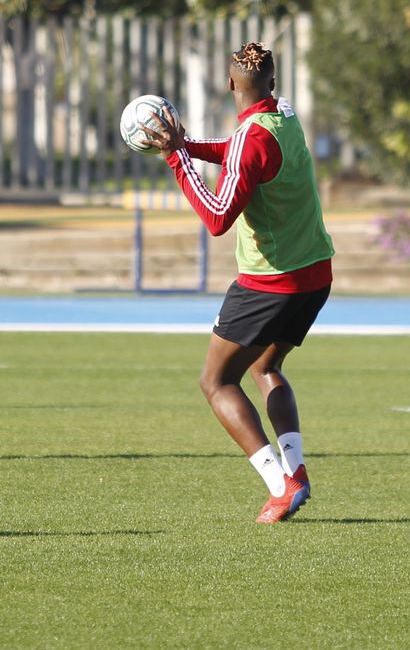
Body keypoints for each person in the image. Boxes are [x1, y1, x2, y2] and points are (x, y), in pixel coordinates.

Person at [140, 42, 333, 524]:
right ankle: (296, 469)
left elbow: (218, 216)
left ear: (230, 84)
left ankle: (280, 486)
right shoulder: (285, 116)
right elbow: (242, 151)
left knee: (216, 380)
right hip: (315, 274)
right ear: (273, 82)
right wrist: (186, 144)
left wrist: (176, 159)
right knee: (265, 366)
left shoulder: (251, 139)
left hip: (270, 283)